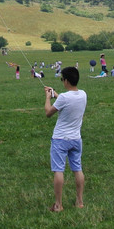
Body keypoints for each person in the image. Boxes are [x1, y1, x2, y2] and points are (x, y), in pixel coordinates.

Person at [44, 66, 86, 213]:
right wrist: (56, 94)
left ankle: (58, 205)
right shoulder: (83, 94)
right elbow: (66, 99)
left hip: (60, 139)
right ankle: (80, 202)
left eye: (62, 79)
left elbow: (49, 113)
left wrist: (48, 98)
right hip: (76, 139)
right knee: (77, 169)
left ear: (66, 80)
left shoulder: (63, 97)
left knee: (58, 171)